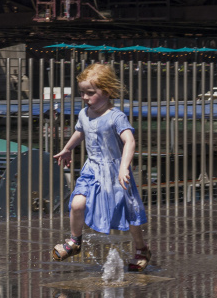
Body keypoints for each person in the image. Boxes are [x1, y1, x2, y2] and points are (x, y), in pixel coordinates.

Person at [52, 63, 151, 271]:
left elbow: (130, 141)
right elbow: (81, 131)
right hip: (92, 170)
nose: (85, 97)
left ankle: (141, 248)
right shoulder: (84, 113)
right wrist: (68, 148)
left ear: (107, 92)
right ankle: (75, 241)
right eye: (82, 92)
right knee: (77, 204)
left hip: (115, 173)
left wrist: (124, 167)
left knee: (130, 216)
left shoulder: (116, 116)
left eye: (90, 92)